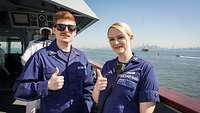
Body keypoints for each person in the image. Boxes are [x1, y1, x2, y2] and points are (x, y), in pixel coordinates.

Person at [13, 10, 94, 113]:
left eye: (71, 28)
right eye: (61, 27)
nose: (66, 31)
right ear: (54, 30)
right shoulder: (40, 57)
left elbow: (88, 87)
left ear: (75, 32)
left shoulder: (81, 57)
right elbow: (19, 90)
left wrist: (87, 106)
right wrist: (47, 86)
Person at [92, 22, 160, 113]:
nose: (115, 42)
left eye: (120, 37)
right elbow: (97, 100)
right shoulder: (108, 65)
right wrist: (97, 88)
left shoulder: (145, 69)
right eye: (111, 39)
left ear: (131, 37)